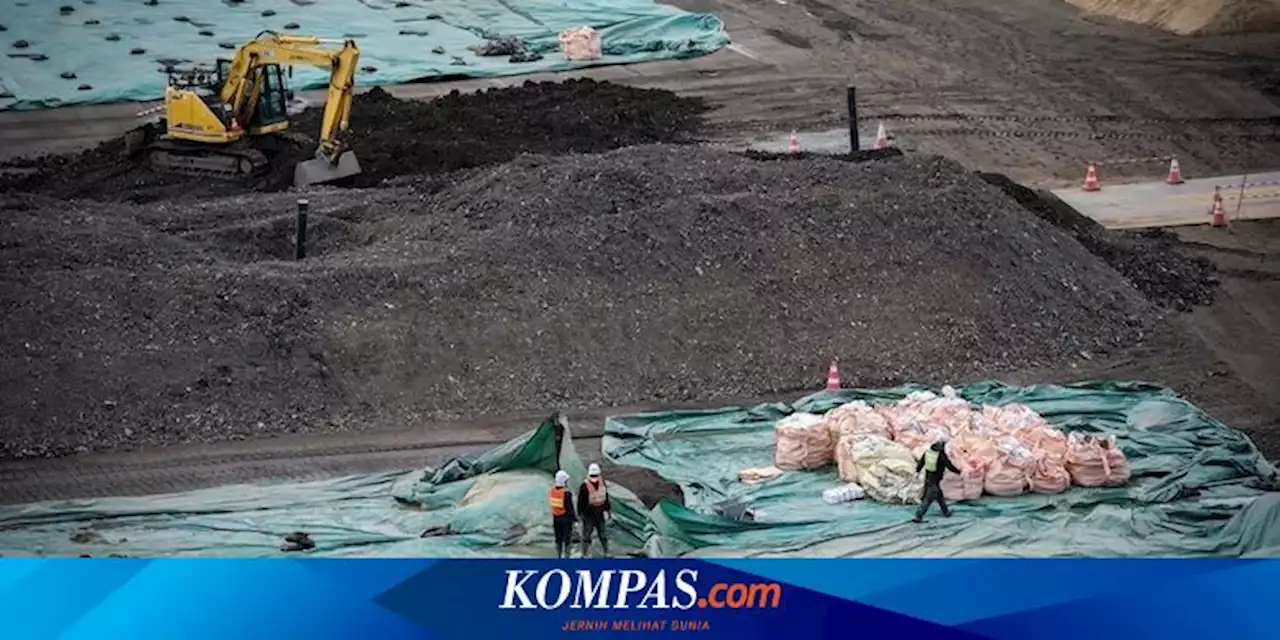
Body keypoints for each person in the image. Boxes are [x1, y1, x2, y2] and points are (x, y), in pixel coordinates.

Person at [913, 440, 960, 523]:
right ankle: (918, 516)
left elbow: (921, 463)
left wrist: (917, 470)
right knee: (928, 499)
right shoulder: (941, 455)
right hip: (935, 480)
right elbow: (949, 465)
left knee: (939, 496)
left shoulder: (928, 453)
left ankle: (946, 512)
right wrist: (959, 472)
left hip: (928, 478)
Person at [577, 463, 613, 557]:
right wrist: (580, 514)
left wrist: (608, 510)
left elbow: (605, 497)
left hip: (600, 513)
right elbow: (581, 501)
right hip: (589, 514)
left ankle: (606, 552)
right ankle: (584, 553)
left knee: (603, 534)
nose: (595, 477)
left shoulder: (602, 484)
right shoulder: (585, 486)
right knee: (586, 535)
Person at [549, 470, 577, 558]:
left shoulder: (552, 491)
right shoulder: (566, 493)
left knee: (558, 539)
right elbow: (569, 508)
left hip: (556, 518)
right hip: (565, 519)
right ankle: (567, 556)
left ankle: (559, 556)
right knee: (567, 539)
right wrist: (575, 519)